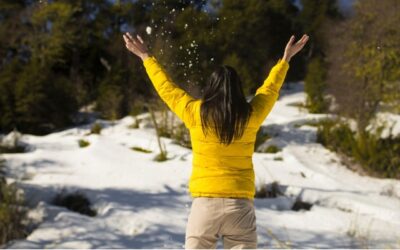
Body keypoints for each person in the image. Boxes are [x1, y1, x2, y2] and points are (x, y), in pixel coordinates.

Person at [123, 32, 309, 249]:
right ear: (238, 89)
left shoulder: (195, 113)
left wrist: (147, 57)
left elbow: (168, 90)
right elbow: (269, 90)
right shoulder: (250, 115)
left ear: (210, 88)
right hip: (240, 208)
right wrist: (285, 60)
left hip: (205, 207)